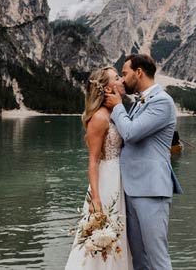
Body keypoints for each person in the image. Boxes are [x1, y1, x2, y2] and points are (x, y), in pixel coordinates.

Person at [104, 54, 182, 270]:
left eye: (125, 73)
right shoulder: (139, 101)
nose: (123, 78)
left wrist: (118, 104)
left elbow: (130, 133)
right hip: (132, 189)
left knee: (157, 259)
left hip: (151, 191)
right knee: (139, 259)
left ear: (139, 72)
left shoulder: (163, 102)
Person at [65, 66, 133, 270]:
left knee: (119, 237)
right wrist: (95, 198)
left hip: (120, 179)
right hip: (106, 182)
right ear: (106, 87)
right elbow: (93, 161)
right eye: (117, 78)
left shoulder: (116, 113)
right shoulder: (100, 117)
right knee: (101, 236)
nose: (121, 80)